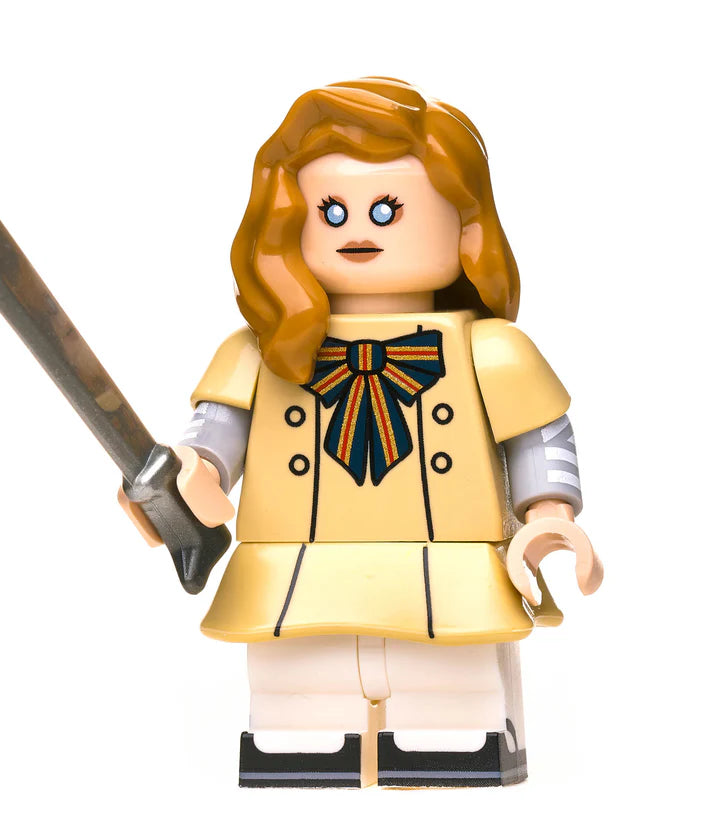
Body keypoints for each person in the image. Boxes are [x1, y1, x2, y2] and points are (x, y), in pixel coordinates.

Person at [120, 77, 603, 788]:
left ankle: (454, 746)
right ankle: (301, 749)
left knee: (448, 674)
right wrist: (190, 475)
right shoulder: (258, 354)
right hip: (294, 568)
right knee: (297, 674)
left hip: (448, 567)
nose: (358, 230)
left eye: (386, 210)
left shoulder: (490, 352)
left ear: (464, 225)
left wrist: (549, 515)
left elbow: (539, 435)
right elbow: (213, 435)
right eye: (331, 211)